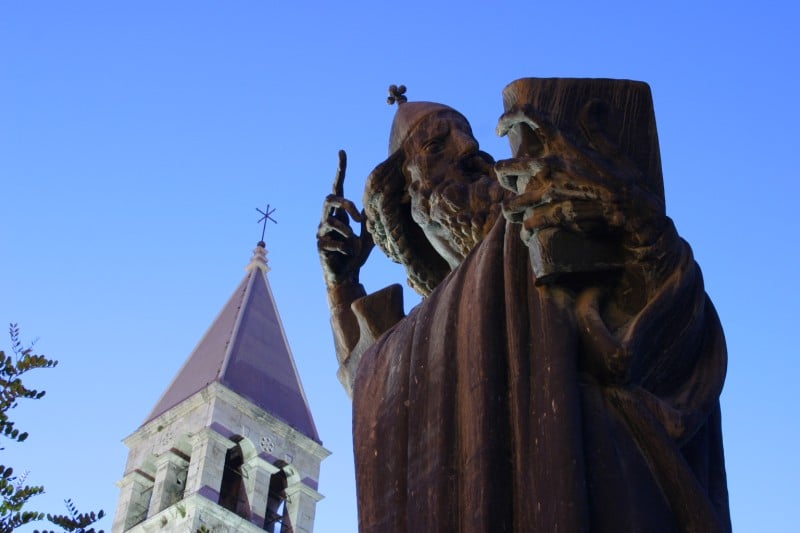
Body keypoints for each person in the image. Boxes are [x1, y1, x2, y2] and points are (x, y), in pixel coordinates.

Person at [317, 79, 730, 532]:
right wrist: (341, 287)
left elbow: (665, 326)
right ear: (403, 192)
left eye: (467, 135)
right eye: (437, 145)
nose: (470, 148)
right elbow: (376, 391)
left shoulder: (549, 224)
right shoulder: (418, 337)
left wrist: (634, 222)